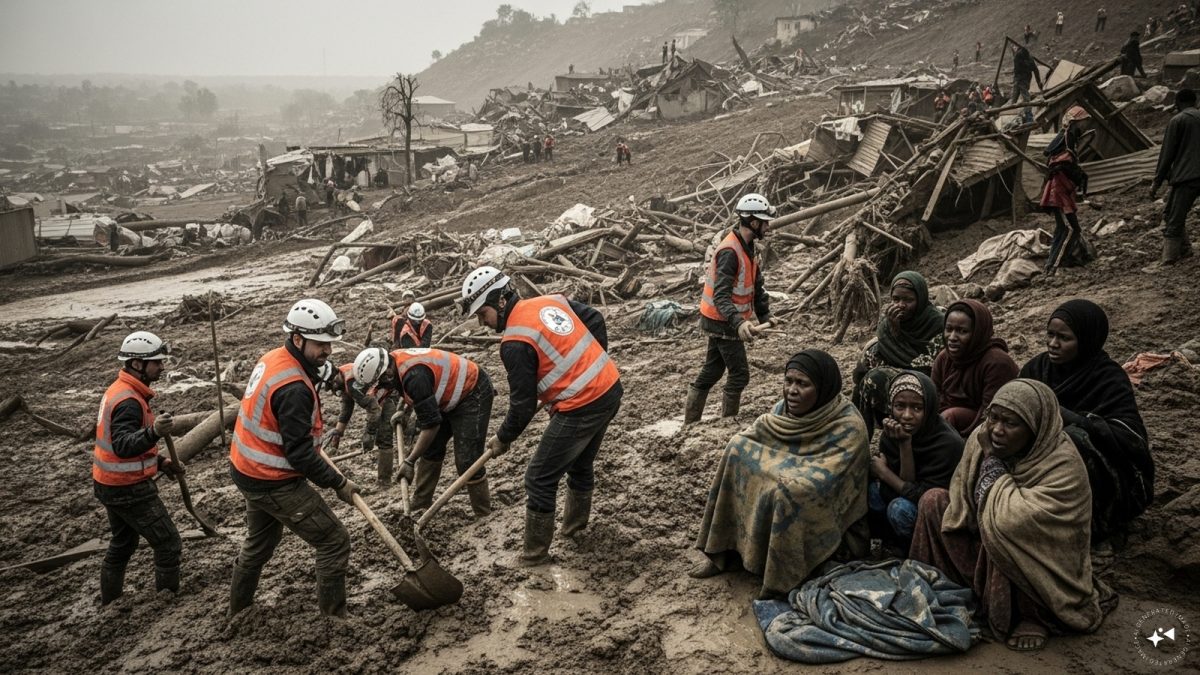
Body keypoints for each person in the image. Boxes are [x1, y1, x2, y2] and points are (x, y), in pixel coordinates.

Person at [911, 379, 1117, 652]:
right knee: (932, 501)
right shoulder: (980, 438)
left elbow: (1015, 521)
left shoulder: (1062, 462)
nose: (997, 430)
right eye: (993, 418)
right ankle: (954, 589)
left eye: (1011, 423)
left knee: (1002, 529)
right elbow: (962, 498)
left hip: (1031, 559)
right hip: (983, 543)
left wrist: (991, 459)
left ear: (1035, 427)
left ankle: (1032, 616)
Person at [460, 266, 622, 565]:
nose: (482, 323)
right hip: (609, 386)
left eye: (482, 314)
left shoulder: (515, 342)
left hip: (582, 405)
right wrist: (595, 363)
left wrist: (502, 438)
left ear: (499, 301)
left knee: (538, 479)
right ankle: (574, 530)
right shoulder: (551, 301)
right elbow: (595, 319)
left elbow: (522, 406)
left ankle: (534, 555)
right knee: (580, 463)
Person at [689, 350, 870, 598]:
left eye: (802, 384)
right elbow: (766, 447)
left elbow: (830, 483)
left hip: (831, 522)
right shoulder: (782, 411)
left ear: (824, 388)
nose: (792, 391)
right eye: (788, 381)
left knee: (789, 491)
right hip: (785, 478)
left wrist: (783, 478)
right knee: (736, 449)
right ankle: (724, 553)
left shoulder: (848, 426)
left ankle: (779, 580)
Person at [228, 299, 360, 618]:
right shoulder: (294, 389)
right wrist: (338, 482)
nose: (327, 351)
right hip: (271, 478)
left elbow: (317, 370)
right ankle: (334, 620)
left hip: (246, 468)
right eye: (320, 345)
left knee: (259, 545)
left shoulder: (276, 357)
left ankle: (237, 612)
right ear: (298, 339)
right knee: (333, 539)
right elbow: (299, 455)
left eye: (329, 344)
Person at [1019, 300, 1154, 542]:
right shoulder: (1037, 369)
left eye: (1064, 338)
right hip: (1038, 466)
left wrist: (1072, 419)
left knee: (1073, 440)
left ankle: (1085, 526)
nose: (1053, 344)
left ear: (1087, 339)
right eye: (1050, 335)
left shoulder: (1108, 378)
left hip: (1101, 478)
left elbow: (1130, 439)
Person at [93, 331, 183, 605]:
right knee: (168, 544)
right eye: (156, 362)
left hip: (110, 482)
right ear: (137, 364)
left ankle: (110, 602)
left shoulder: (123, 391)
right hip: (128, 487)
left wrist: (160, 462)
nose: (162, 366)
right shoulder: (129, 401)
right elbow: (122, 445)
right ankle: (166, 604)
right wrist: (154, 432)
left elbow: (119, 446)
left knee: (123, 543)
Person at [355, 346, 496, 516]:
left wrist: (410, 461)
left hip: (472, 391)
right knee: (431, 449)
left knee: (468, 459)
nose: (382, 388)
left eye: (381, 384)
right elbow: (415, 391)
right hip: (446, 395)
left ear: (387, 374)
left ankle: (484, 514)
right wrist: (405, 411)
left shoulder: (414, 376)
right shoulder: (393, 362)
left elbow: (431, 425)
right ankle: (420, 507)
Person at [685, 193, 776, 422]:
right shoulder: (730, 252)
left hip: (722, 320)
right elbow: (721, 296)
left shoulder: (750, 247)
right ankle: (727, 424)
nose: (768, 226)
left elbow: (757, 285)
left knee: (713, 370)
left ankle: (691, 422)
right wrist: (739, 322)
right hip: (722, 320)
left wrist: (766, 315)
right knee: (740, 375)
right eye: (765, 222)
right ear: (753, 223)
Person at [868, 371, 964, 551]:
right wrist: (905, 444)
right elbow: (906, 484)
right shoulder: (892, 432)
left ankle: (915, 551)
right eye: (899, 406)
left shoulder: (948, 445)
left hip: (935, 515)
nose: (906, 415)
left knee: (900, 509)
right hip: (905, 495)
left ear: (929, 409)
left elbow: (923, 497)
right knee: (872, 492)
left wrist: (884, 473)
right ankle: (888, 543)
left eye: (917, 408)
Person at [851, 271, 945, 438]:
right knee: (863, 378)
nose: (900, 305)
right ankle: (860, 438)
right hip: (898, 377)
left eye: (908, 300)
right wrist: (894, 330)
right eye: (896, 300)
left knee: (875, 378)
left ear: (921, 299)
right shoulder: (889, 322)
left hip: (924, 383)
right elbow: (882, 351)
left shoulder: (936, 324)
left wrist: (897, 336)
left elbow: (926, 366)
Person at [931, 300, 1019, 436]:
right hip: (945, 420)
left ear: (978, 332)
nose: (952, 337)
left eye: (962, 331)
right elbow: (934, 396)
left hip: (984, 422)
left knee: (949, 416)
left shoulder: (997, 363)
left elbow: (992, 412)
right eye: (949, 329)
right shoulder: (944, 358)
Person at [323, 356, 397, 483]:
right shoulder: (343, 374)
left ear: (335, 374)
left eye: (333, 384)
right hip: (378, 397)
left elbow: (374, 410)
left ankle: (384, 481)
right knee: (379, 432)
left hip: (389, 394)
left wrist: (369, 434)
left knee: (384, 438)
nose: (334, 388)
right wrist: (337, 433)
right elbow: (347, 406)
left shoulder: (351, 382)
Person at [1151, 88, 1200, 263]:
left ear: (1178, 103)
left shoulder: (1178, 120)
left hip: (1187, 177)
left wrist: (1156, 182)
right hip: (1191, 175)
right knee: (1174, 212)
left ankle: (1169, 258)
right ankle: (1186, 250)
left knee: (1173, 215)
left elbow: (1166, 155)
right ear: (1195, 102)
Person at [1040, 119, 1090, 275]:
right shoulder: (1062, 162)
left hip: (1059, 194)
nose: (1085, 125)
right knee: (1070, 229)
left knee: (1062, 229)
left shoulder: (1060, 161)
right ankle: (1054, 266)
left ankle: (1050, 264)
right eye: (1083, 122)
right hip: (1059, 196)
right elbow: (1066, 179)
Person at [1011, 43, 1043, 123]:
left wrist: (1016, 80)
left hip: (1019, 80)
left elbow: (1016, 70)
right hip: (1025, 80)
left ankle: (1028, 118)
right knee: (1022, 98)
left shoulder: (1017, 57)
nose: (1013, 48)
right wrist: (1039, 82)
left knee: (1020, 98)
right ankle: (1021, 117)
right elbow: (1036, 70)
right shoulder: (1030, 58)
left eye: (1014, 47)